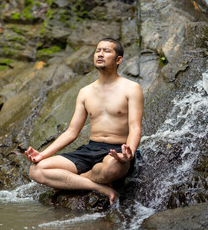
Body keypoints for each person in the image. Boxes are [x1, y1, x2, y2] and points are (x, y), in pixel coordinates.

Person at [25, 37, 143, 205]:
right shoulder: (85, 92)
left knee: (111, 168)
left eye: (106, 51)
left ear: (118, 60)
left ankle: (73, 181)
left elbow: (135, 127)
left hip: (118, 151)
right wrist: (42, 155)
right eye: (98, 50)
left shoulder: (131, 88)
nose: (100, 54)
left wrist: (128, 153)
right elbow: (72, 132)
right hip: (90, 150)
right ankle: (98, 186)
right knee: (36, 170)